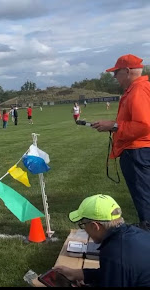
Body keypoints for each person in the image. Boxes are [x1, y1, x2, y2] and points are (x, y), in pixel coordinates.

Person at [91, 54, 150, 224]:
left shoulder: (138, 90)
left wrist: (114, 126)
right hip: (140, 150)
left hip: (137, 151)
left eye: (116, 73)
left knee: (143, 196)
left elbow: (143, 124)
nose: (114, 77)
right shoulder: (141, 88)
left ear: (127, 71)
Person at [54, 194, 150, 287]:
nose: (85, 230)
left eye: (83, 225)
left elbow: (116, 269)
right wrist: (79, 273)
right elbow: (114, 272)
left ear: (95, 226)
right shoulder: (136, 233)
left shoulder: (114, 253)